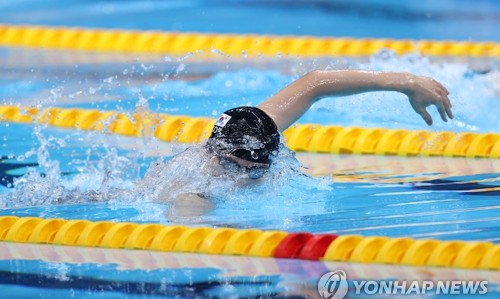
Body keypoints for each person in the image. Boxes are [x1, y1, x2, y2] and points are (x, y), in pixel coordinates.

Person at [139, 70, 454, 218]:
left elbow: (314, 84)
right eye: (230, 165)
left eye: (253, 172)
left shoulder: (258, 130)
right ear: (212, 151)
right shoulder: (195, 197)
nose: (239, 178)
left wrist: (405, 83)